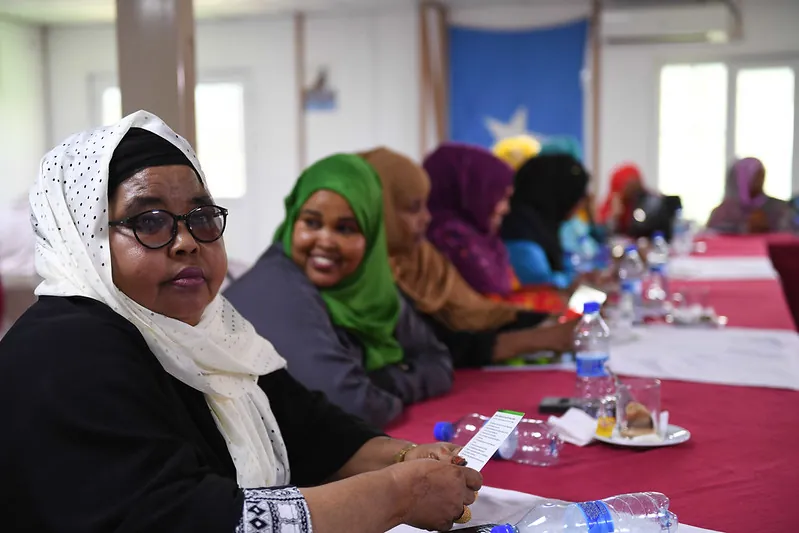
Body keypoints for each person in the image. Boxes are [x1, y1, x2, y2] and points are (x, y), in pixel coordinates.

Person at [0, 111, 482, 532]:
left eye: (202, 216)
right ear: (83, 239)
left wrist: (405, 457)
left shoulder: (208, 329)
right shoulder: (66, 351)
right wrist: (399, 494)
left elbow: (312, 429)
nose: (187, 241)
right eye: (149, 220)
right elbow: (185, 519)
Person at [225, 154, 453, 428]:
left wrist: (382, 381)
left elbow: (438, 362)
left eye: (345, 228)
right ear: (292, 221)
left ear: (371, 235)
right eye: (311, 223)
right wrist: (388, 383)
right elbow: (352, 405)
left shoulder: (368, 285)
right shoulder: (275, 287)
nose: (326, 241)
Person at [360, 147, 577, 367]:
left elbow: (472, 311)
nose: (427, 218)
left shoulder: (422, 256)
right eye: (413, 207)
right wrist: (542, 336)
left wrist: (548, 322)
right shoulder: (449, 241)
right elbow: (439, 346)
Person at [424, 143, 566, 313]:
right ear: (475, 193)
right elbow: (486, 311)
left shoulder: (485, 240)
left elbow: (507, 295)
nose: (507, 209)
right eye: (501, 197)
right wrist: (560, 301)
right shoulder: (450, 240)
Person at [501, 154, 590, 289]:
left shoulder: (542, 226)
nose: (580, 204)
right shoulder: (521, 238)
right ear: (561, 196)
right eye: (576, 196)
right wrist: (574, 282)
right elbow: (543, 287)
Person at [707, 157, 793, 234]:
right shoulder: (723, 212)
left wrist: (767, 226)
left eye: (762, 176)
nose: (760, 181)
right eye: (756, 176)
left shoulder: (778, 206)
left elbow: (790, 235)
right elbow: (710, 237)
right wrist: (745, 227)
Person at [597, 163, 645, 235]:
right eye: (628, 185)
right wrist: (613, 217)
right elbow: (601, 234)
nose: (632, 189)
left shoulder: (643, 202)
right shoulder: (610, 203)